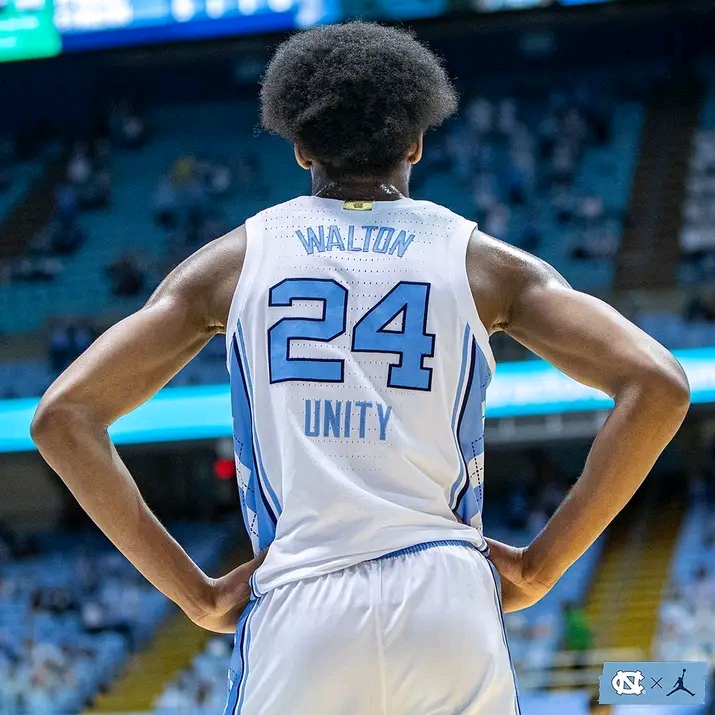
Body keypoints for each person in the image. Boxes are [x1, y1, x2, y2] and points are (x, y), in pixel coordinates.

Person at [30, 22, 690, 715]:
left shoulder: (231, 264)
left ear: (300, 147)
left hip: (301, 602)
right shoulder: (483, 263)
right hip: (446, 597)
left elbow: (62, 418)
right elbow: (658, 385)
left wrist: (196, 596)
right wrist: (540, 566)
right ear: (416, 142)